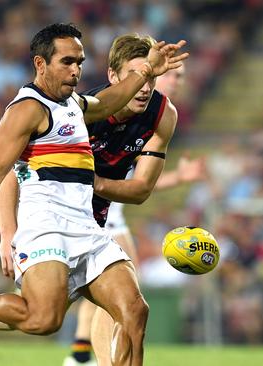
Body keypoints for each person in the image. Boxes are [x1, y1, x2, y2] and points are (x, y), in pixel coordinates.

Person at [0, 23, 188, 366]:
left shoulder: (76, 104)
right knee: (42, 320)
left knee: (135, 311)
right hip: (45, 225)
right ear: (41, 64)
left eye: (79, 62)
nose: (76, 70)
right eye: (67, 62)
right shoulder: (26, 109)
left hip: (87, 227)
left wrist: (145, 73)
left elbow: (110, 100)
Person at [62, 37, 204, 366]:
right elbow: (19, 167)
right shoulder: (85, 110)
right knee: (39, 317)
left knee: (124, 295)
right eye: (171, 75)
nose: (147, 84)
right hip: (60, 209)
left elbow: (139, 187)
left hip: (102, 210)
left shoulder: (161, 114)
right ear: (115, 76)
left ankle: (88, 358)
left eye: (154, 77)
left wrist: (94, 183)